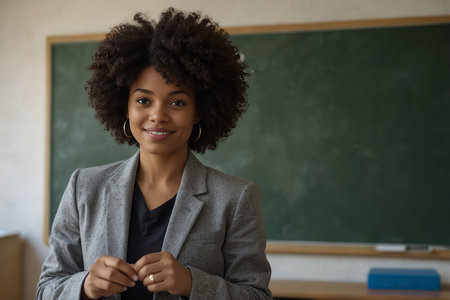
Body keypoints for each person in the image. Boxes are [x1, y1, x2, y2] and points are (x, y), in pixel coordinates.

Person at [37, 7, 272, 300]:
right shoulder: (84, 188)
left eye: (177, 103)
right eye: (144, 100)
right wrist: (85, 285)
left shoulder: (236, 198)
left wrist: (191, 283)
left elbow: (257, 296)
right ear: (125, 105)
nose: (158, 115)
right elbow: (46, 289)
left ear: (199, 112)